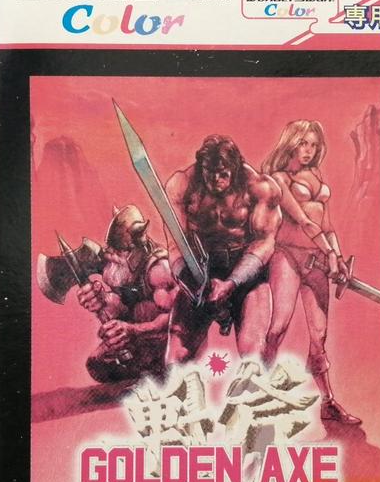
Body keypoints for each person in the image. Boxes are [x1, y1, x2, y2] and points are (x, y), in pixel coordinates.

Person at [259, 120, 361, 425]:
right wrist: (330, 254)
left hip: (318, 259)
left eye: (314, 145)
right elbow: (303, 220)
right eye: (303, 143)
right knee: (278, 328)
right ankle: (258, 395)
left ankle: (327, 402)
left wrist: (338, 258)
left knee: (319, 335)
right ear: (291, 143)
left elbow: (326, 225)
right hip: (288, 257)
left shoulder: (315, 175)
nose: (309, 150)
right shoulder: (278, 178)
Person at [162, 135, 282, 362]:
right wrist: (192, 283)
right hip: (200, 271)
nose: (215, 180)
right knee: (175, 359)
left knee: (253, 356)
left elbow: (264, 243)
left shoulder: (260, 188)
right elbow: (175, 245)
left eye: (223, 173)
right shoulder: (182, 185)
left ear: (234, 168)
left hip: (247, 276)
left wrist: (232, 283)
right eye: (210, 173)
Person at [75, 205, 178, 382]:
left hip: (166, 341)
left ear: (137, 247)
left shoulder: (159, 270)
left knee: (145, 309)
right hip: (140, 340)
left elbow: (177, 318)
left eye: (119, 251)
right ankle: (143, 377)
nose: (111, 256)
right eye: (111, 249)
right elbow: (122, 307)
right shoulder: (125, 270)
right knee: (96, 363)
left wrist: (133, 330)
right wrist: (101, 299)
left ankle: (159, 374)